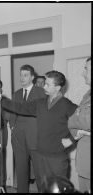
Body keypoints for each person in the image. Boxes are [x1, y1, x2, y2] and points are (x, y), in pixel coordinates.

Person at [0, 70, 78, 192]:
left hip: (57, 159)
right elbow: (19, 107)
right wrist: (0, 99)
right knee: (42, 187)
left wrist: (71, 140)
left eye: (48, 84)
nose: (44, 86)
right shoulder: (41, 103)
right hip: (40, 154)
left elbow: (82, 124)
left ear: (57, 88)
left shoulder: (67, 105)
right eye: (45, 83)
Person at [9, 65, 46, 192]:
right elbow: (12, 113)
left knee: (40, 173)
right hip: (18, 139)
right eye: (21, 75)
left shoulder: (41, 92)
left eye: (25, 75)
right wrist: (12, 127)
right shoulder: (17, 94)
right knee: (21, 171)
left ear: (32, 77)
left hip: (36, 138)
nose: (22, 78)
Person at [62, 57, 91, 193]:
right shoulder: (87, 95)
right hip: (85, 163)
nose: (83, 73)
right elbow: (74, 121)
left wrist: (76, 120)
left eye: (86, 69)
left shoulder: (65, 103)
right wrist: (77, 125)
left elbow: (86, 120)